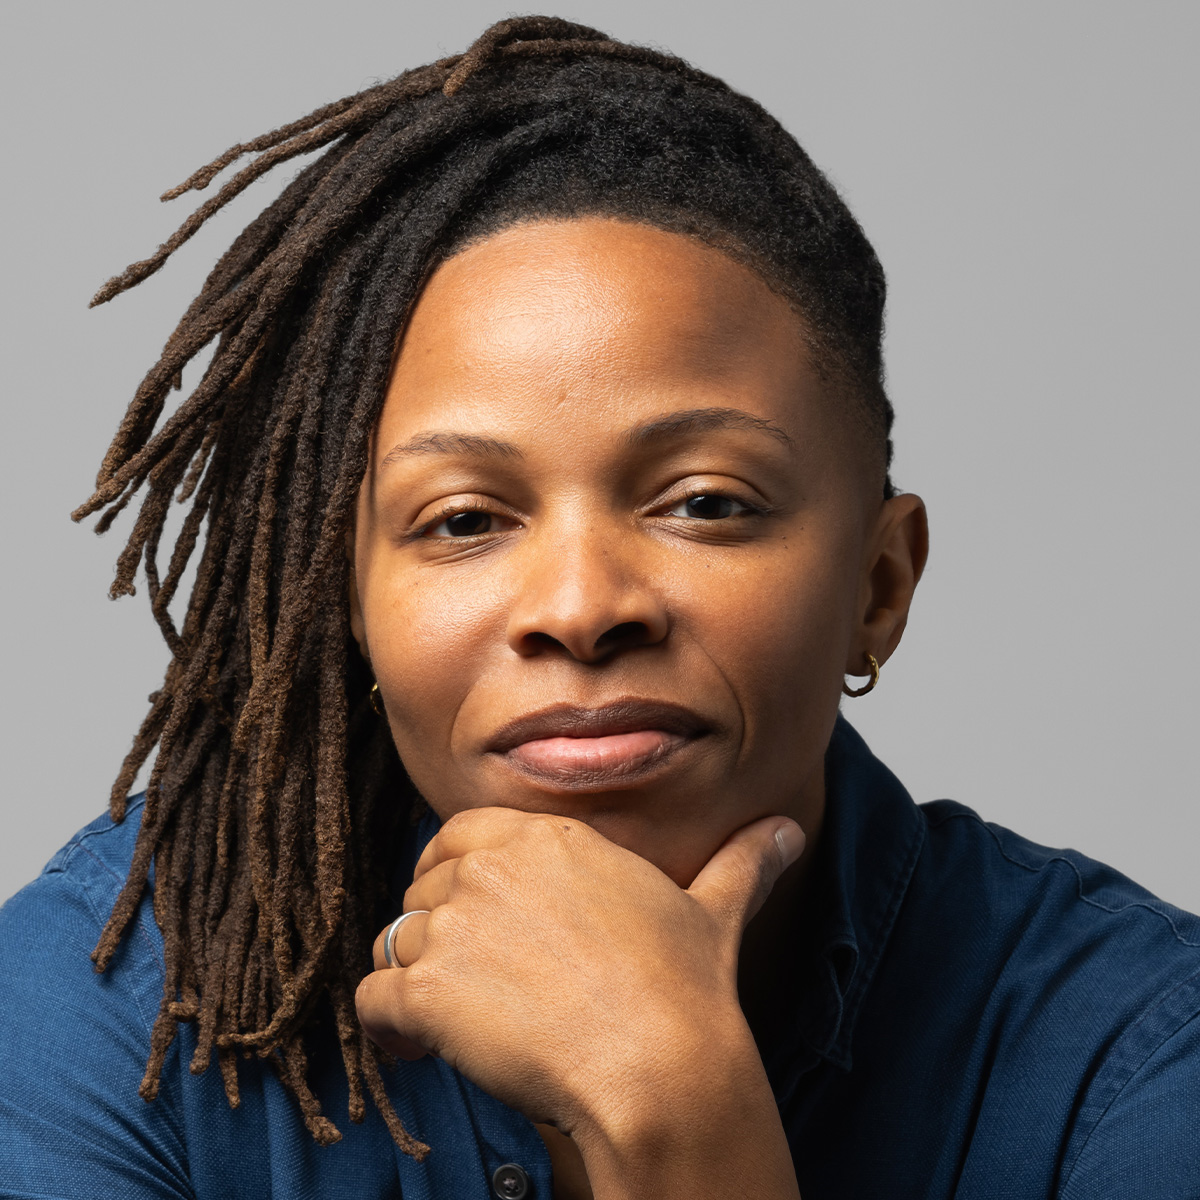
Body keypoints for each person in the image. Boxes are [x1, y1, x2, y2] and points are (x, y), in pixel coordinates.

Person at [0, 15, 1196, 1200]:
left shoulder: (1140, 1060)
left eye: (706, 504)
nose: (579, 609)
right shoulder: (98, 1009)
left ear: (878, 589)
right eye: (463, 519)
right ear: (349, 604)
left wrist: (673, 1111)